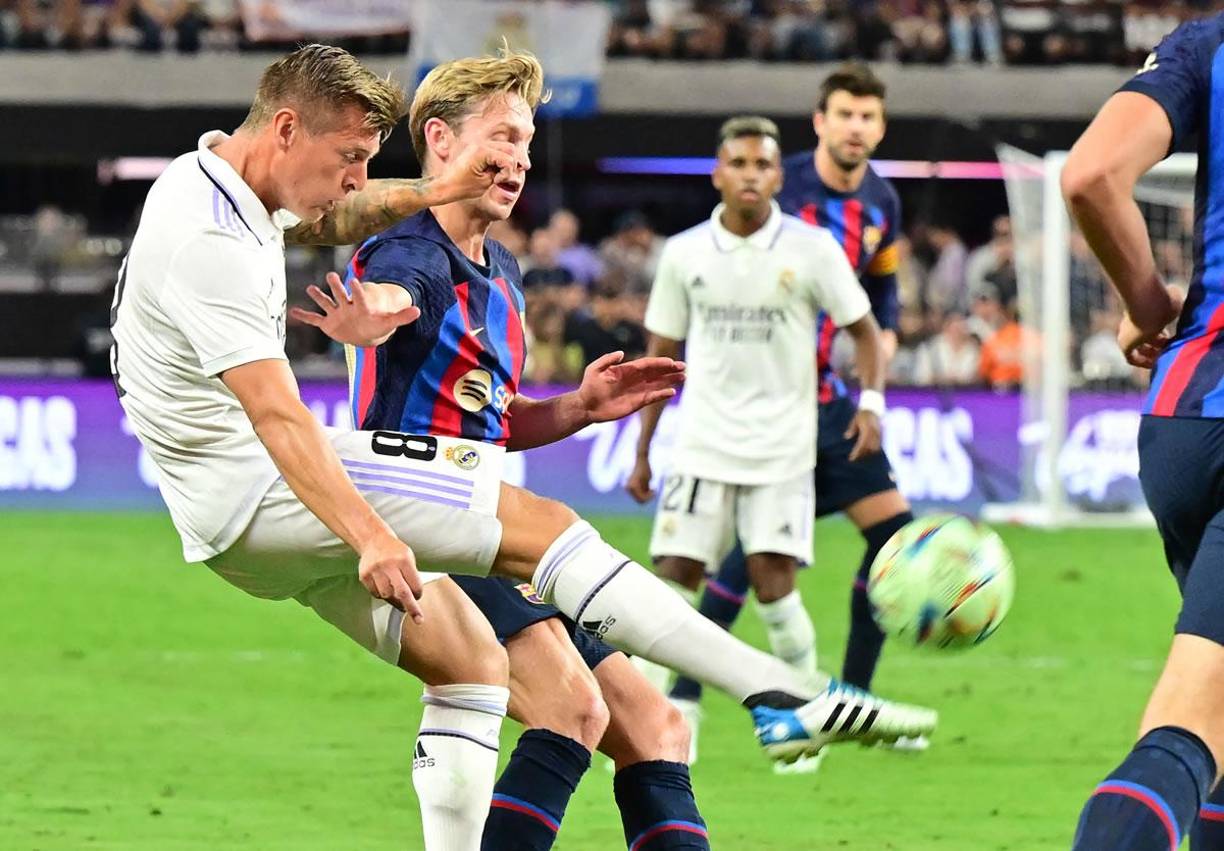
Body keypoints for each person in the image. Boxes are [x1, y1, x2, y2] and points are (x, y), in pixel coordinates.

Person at [341, 52, 704, 851]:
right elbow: (390, 301)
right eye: (504, 136)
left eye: (529, 141)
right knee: (574, 709)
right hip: (433, 529)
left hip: (492, 529)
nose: (522, 160)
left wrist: (576, 407)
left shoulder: (500, 267)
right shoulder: (407, 253)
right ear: (439, 140)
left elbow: (492, 419)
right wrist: (371, 314)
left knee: (658, 726)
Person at [661, 62, 925, 764]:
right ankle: (688, 689)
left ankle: (852, 697)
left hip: (828, 402)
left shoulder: (883, 203)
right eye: (845, 114)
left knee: (892, 535)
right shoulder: (782, 186)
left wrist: (877, 355)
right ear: (821, 121)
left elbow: (884, 297)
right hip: (759, 406)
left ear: (880, 126)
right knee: (752, 561)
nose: (856, 128)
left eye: (868, 117)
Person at [1062, 17, 1224, 851]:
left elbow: (1090, 174)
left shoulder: (1207, 43)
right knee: (1194, 723)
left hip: (1184, 416)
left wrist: (1151, 306)